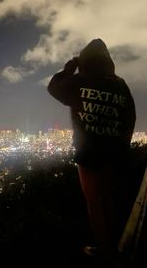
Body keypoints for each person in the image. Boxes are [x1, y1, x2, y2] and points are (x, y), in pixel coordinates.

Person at [47, 38, 136, 267]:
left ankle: (106, 254)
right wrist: (121, 147)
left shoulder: (79, 81)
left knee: (95, 204)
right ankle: (112, 245)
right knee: (111, 202)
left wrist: (70, 67)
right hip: (115, 155)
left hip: (88, 156)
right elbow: (130, 118)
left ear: (85, 61)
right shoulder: (120, 84)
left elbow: (54, 88)